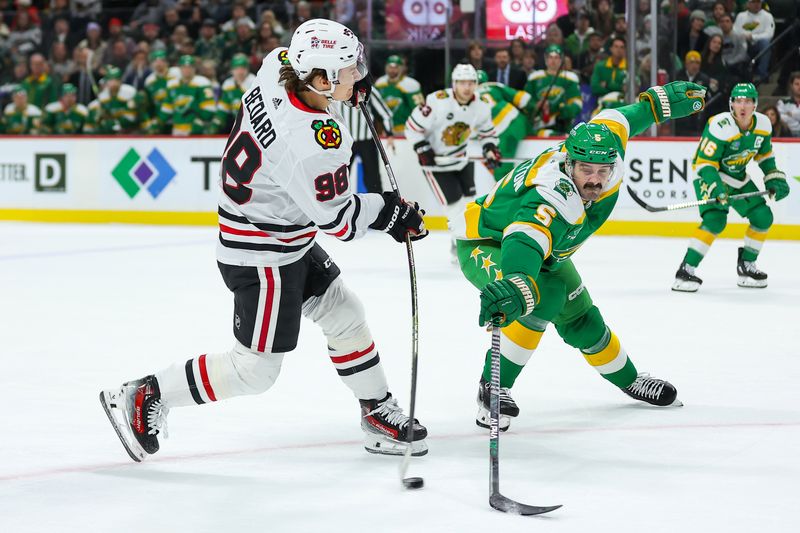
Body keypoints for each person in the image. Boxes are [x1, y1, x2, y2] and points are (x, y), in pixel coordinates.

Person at [100, 18, 430, 463]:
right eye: (350, 69)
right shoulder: (315, 145)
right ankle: (145, 394)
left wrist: (348, 90)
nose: (360, 73)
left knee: (344, 312)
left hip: (274, 230)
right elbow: (341, 220)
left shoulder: (277, 64)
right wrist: (391, 212)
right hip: (264, 254)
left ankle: (375, 410)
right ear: (320, 78)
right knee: (254, 371)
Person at [453, 81, 708, 430]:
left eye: (602, 171)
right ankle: (493, 387)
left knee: (582, 319)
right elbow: (524, 238)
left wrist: (658, 105)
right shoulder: (552, 195)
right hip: (488, 242)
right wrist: (516, 281)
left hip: (549, 252)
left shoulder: (605, 146)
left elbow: (625, 116)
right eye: (586, 170)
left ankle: (630, 379)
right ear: (568, 161)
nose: (595, 180)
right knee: (541, 297)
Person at [672, 83, 790, 292]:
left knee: (763, 216)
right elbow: (705, 164)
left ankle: (746, 265)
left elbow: (765, 156)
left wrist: (773, 177)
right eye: (738, 101)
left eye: (747, 101)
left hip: (737, 177)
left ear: (755, 105)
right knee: (715, 220)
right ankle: (685, 270)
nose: (742, 106)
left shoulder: (763, 124)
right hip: (709, 175)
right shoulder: (720, 125)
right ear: (731, 103)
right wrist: (717, 189)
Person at [405, 63, 499, 258]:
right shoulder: (437, 100)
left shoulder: (481, 105)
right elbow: (412, 127)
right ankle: (460, 243)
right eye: (462, 83)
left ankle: (462, 239)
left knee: (469, 202)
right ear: (454, 84)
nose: (467, 87)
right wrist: (422, 146)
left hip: (461, 160)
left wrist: (490, 148)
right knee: (454, 204)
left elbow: (487, 132)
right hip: (436, 164)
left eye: (471, 82)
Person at [476, 69, 535, 181]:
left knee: (502, 170)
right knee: (538, 133)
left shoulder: (468, 97)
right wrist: (532, 112)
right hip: (519, 119)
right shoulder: (493, 85)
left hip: (504, 132)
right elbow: (524, 99)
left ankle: (506, 196)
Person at [524, 44, 582, 136]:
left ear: (561, 60)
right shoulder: (535, 77)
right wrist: (536, 106)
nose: (553, 61)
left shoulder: (570, 78)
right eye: (550, 57)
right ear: (545, 59)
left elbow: (576, 104)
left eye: (556, 57)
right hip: (538, 124)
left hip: (562, 124)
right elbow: (526, 101)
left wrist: (562, 109)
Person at [159, 55, 216, 135]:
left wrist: (200, 122)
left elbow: (209, 109)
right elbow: (166, 109)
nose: (187, 70)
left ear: (194, 68)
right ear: (180, 69)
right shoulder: (172, 85)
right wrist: (158, 122)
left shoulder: (203, 83)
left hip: (197, 130)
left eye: (189, 67)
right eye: (184, 67)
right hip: (177, 130)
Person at [374, 55, 423, 135]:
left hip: (406, 130)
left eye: (396, 67)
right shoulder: (380, 83)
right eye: (390, 67)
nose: (392, 70)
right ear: (386, 67)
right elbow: (376, 109)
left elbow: (419, 110)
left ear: (402, 68)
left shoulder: (411, 85)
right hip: (386, 130)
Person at [83, 66, 137, 134]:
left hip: (129, 133)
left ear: (120, 81)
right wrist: (102, 118)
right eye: (111, 80)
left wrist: (114, 122)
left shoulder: (129, 93)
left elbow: (131, 119)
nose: (113, 83)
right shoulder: (102, 99)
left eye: (116, 80)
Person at [733, 0, 774, 82]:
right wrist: (744, 36)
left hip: (758, 44)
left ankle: (761, 74)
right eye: (754, 2)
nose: (756, 5)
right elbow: (735, 31)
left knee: (765, 43)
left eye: (758, 2)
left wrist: (753, 37)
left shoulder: (767, 16)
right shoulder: (741, 16)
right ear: (748, 4)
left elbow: (769, 34)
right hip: (743, 42)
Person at [215, 53, 255, 133]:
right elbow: (223, 109)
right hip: (237, 124)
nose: (240, 72)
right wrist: (217, 123)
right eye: (237, 69)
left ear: (247, 69)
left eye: (242, 68)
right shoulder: (227, 84)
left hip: (254, 123)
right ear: (232, 70)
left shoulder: (254, 82)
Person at [674, 51, 711, 135]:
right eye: (691, 62)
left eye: (697, 63)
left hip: (696, 121)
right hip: (679, 120)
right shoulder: (677, 76)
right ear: (686, 64)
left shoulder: (704, 79)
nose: (694, 65)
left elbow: (703, 98)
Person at [776, 71, 800, 136]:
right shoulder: (782, 102)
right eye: (797, 84)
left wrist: (791, 114)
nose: (799, 87)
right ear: (791, 85)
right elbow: (778, 117)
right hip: (788, 134)